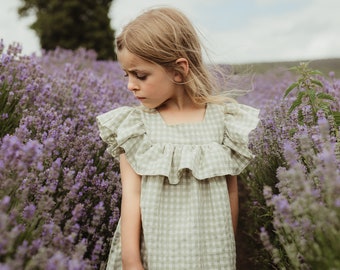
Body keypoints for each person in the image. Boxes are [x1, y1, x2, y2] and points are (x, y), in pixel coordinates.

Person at [97, 6, 259, 270]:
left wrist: (225, 247)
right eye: (126, 75)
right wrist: (130, 259)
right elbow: (132, 195)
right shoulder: (137, 126)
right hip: (157, 252)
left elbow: (230, 190)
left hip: (211, 253)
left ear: (178, 69)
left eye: (140, 75)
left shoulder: (223, 121)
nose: (130, 85)